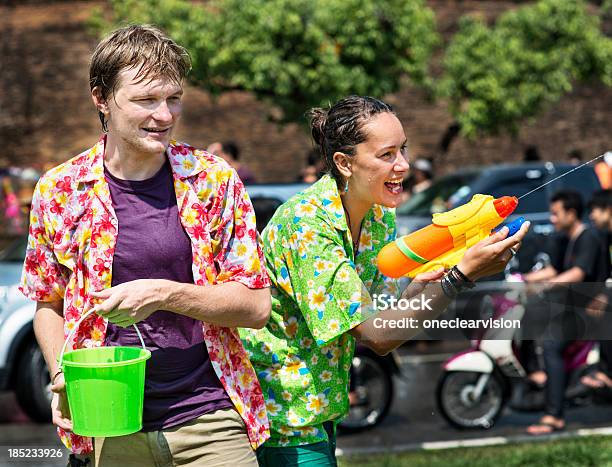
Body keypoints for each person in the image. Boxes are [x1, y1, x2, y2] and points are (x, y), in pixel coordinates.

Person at [19, 25, 271, 467]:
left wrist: (164, 294)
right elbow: (48, 301)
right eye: (145, 100)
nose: (165, 115)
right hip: (108, 424)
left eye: (173, 98)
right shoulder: (59, 189)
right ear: (101, 98)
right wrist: (61, 373)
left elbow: (255, 306)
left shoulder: (213, 180)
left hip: (210, 419)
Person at [241, 96, 529, 466]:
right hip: (279, 417)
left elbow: (388, 316)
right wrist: (461, 277)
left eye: (403, 150)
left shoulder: (378, 217)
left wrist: (428, 285)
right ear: (344, 163)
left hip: (320, 411)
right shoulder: (306, 223)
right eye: (387, 154)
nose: (404, 165)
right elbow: (378, 336)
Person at [524, 190, 609, 434]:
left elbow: (577, 273)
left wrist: (547, 286)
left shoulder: (588, 237)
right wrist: (525, 279)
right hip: (575, 309)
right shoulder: (568, 239)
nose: (552, 219)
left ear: (571, 214)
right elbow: (555, 270)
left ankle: (554, 415)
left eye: (555, 214)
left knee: (552, 346)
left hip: (593, 313)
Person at [580, 189, 612, 389]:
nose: (591, 216)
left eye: (594, 211)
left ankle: (607, 371)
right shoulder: (606, 238)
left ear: (608, 210)